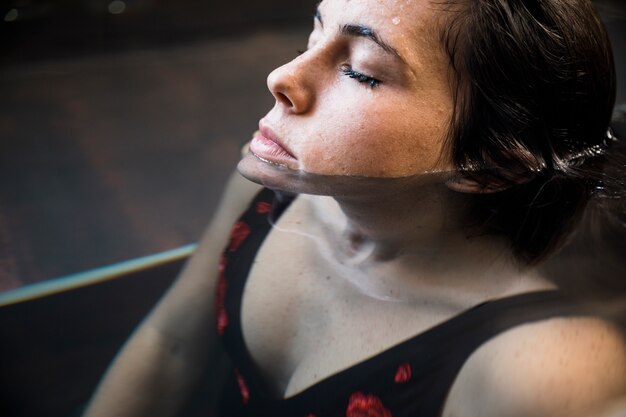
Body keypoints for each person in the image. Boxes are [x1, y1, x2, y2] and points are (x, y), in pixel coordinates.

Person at [83, 0, 626, 416]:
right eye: (314, 31)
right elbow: (171, 344)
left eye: (362, 70)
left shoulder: (541, 370)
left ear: (489, 166)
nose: (282, 77)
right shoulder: (270, 192)